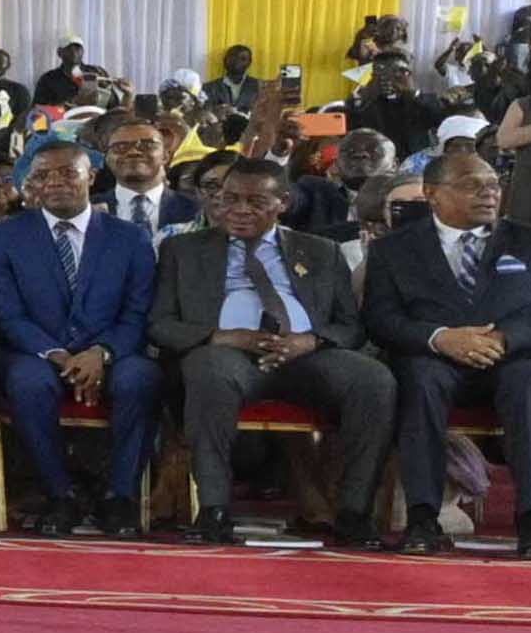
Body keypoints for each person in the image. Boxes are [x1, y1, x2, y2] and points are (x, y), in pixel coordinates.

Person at [144, 152, 390, 546]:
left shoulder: (321, 251)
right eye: (228, 199)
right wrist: (223, 336)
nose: (239, 210)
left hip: (306, 357)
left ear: (283, 204)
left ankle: (354, 513)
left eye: (256, 202)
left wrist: (308, 341)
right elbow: (160, 324)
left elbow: (350, 325)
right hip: (226, 354)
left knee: (373, 379)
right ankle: (214, 510)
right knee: (207, 369)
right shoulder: (183, 250)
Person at [356, 134, 531, 555]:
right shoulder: (393, 250)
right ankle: (422, 518)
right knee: (418, 380)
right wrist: (441, 338)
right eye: (472, 184)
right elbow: (381, 319)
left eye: (493, 183)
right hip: (433, 357)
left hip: (512, 356)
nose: (488, 192)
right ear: (432, 194)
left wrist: (504, 337)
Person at [0, 137, 158, 533]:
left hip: (111, 351)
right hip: (36, 352)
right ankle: (60, 494)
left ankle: (121, 497)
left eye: (67, 172)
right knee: (27, 381)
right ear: (32, 183)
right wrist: (57, 354)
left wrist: (102, 352)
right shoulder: (4, 236)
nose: (55, 182)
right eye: (42, 175)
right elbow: (6, 314)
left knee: (139, 378)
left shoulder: (130, 238)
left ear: (91, 176)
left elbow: (138, 313)